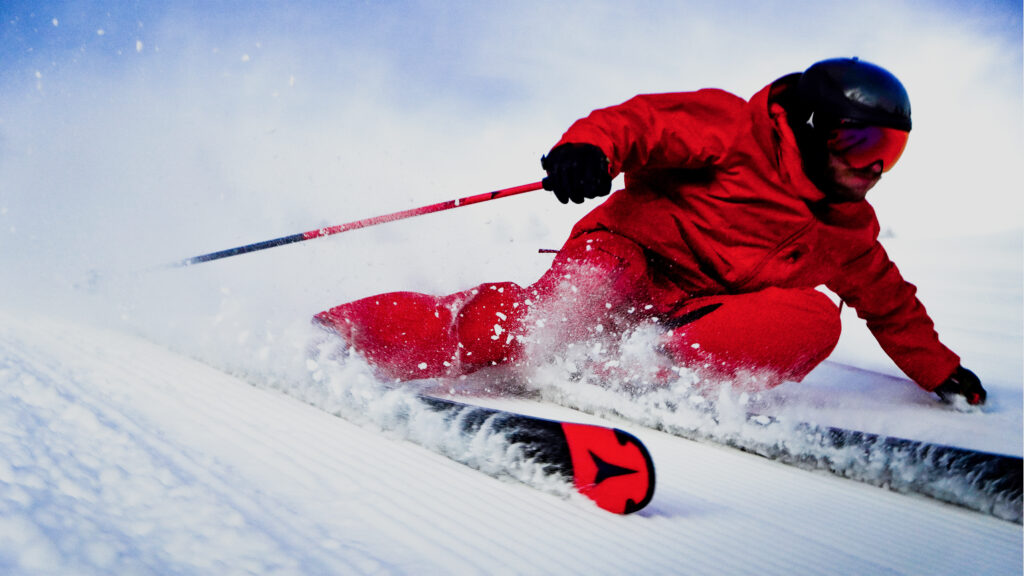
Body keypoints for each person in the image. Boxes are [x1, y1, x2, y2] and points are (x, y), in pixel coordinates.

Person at [314, 57, 986, 406]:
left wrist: (941, 372)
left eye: (889, 152)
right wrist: (590, 152)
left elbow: (891, 305)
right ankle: (349, 332)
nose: (871, 167)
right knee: (534, 326)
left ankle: (640, 373)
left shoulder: (846, 228)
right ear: (814, 127)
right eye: (861, 142)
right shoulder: (733, 128)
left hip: (695, 315)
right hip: (627, 257)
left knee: (814, 317)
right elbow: (638, 123)